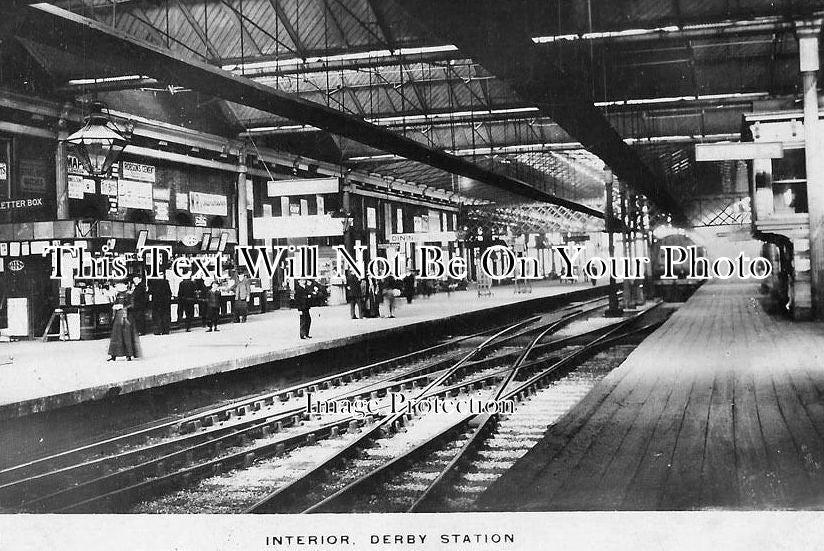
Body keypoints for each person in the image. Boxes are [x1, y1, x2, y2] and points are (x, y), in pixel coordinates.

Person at [108, 282, 139, 361]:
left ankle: (128, 355)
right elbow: (115, 303)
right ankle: (113, 355)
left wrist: (123, 306)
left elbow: (133, 304)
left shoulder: (130, 293)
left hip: (126, 316)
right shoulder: (118, 294)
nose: (117, 286)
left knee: (126, 335)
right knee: (116, 335)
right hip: (118, 316)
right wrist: (114, 306)